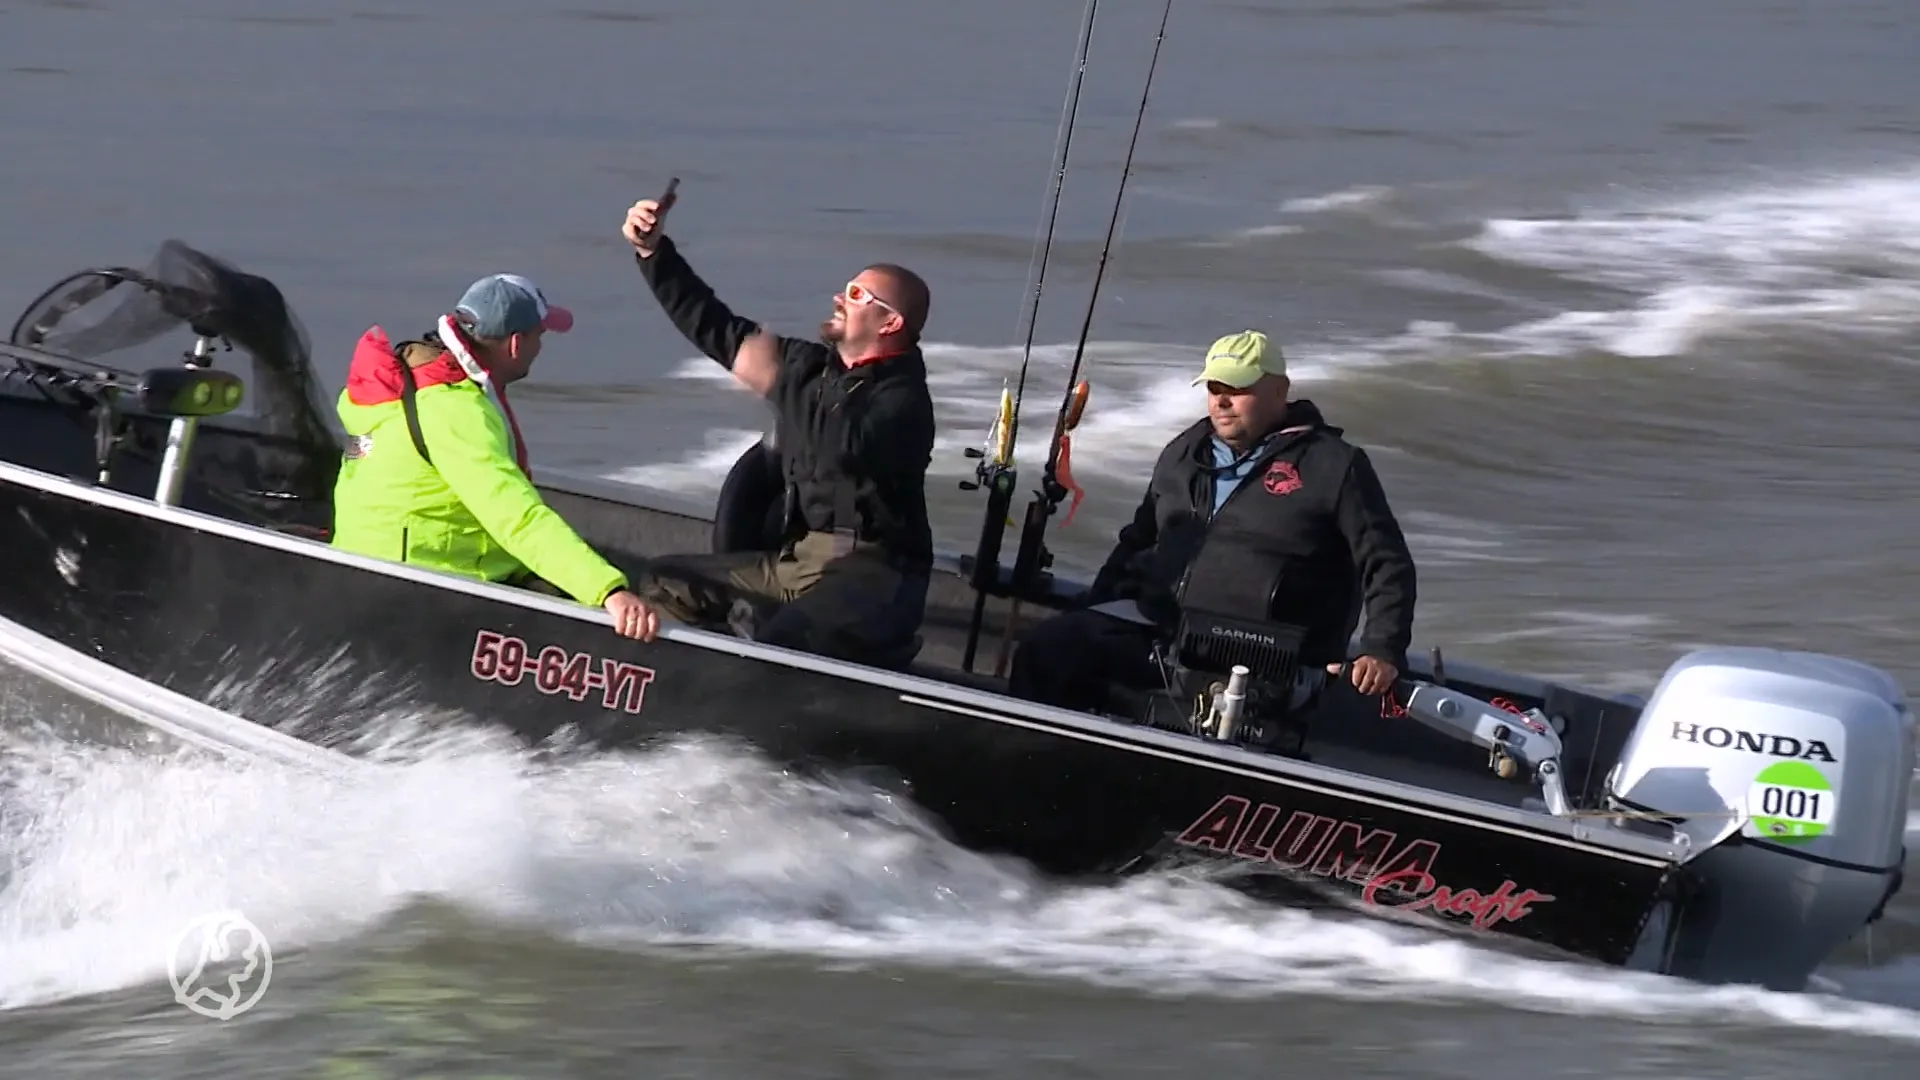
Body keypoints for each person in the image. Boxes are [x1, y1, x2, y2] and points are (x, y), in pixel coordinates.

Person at [1005, 329, 1417, 715]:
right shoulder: (1184, 452)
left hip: (1268, 657)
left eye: (1236, 390)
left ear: (1280, 391)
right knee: (1049, 649)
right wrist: (1096, 604)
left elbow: (1387, 563)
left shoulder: (1334, 465)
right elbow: (1137, 540)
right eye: (1214, 388)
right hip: (1163, 631)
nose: (1221, 401)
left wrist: (1382, 649)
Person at [617, 195, 936, 667]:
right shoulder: (809, 369)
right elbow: (715, 327)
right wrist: (653, 252)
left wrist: (779, 384)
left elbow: (844, 447)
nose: (839, 298)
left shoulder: (904, 402)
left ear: (890, 321)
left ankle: (816, 673)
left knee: (789, 643)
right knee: (668, 581)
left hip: (874, 572)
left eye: (855, 295)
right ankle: (704, 683)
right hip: (801, 558)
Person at [329, 273, 661, 641]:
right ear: (516, 344)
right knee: (612, 594)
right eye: (539, 336)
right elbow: (514, 516)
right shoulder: (454, 409)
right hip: (423, 588)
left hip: (363, 564)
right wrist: (607, 591)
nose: (540, 347)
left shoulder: (404, 378)